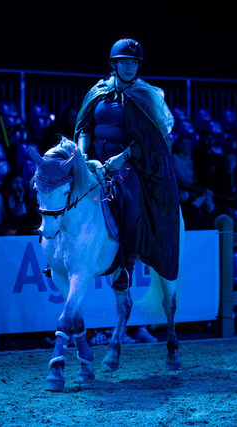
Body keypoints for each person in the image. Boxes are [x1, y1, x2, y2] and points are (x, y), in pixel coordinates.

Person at [74, 37, 181, 290]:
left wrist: (122, 158)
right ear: (114, 64)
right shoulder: (98, 92)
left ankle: (126, 266)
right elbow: (84, 128)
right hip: (92, 160)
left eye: (133, 62)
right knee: (62, 191)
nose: (129, 66)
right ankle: (58, 255)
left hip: (126, 163)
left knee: (131, 205)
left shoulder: (145, 95)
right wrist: (81, 154)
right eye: (124, 62)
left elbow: (151, 137)